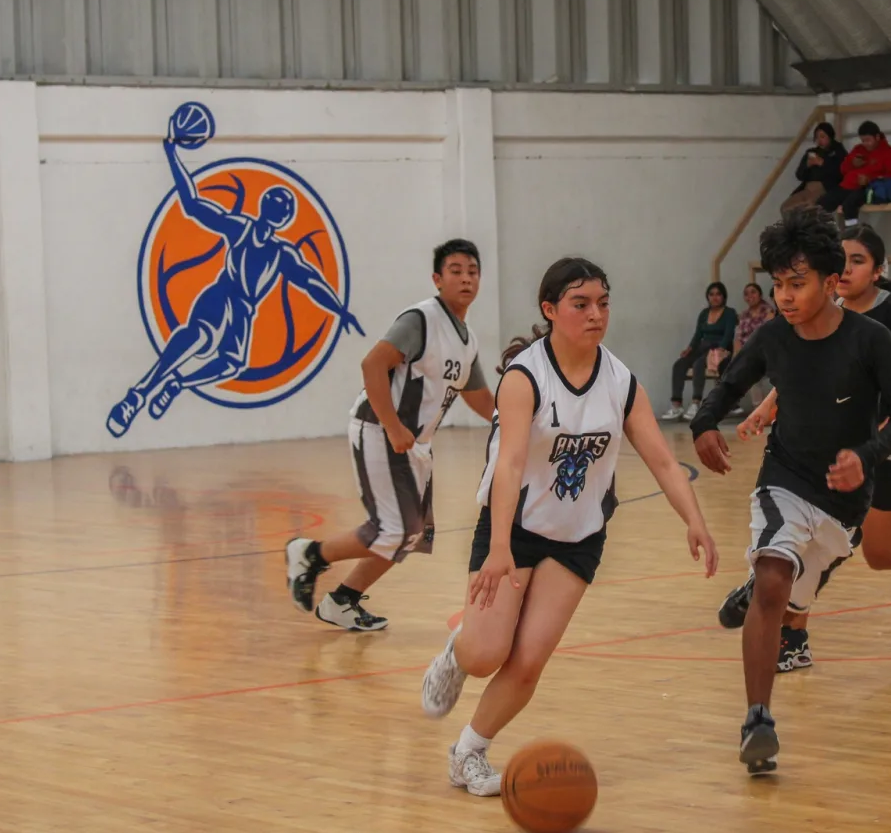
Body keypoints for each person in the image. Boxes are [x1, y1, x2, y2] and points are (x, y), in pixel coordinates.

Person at [419, 257, 718, 796]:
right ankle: (457, 651)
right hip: (515, 526)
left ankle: (469, 753)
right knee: (488, 652)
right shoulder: (524, 377)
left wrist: (694, 520)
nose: (596, 314)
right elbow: (508, 465)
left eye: (603, 303)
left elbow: (665, 462)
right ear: (551, 310)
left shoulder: (621, 380)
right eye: (581, 304)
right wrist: (501, 547)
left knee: (529, 661)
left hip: (579, 535)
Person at [690, 209, 891, 774]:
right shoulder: (773, 336)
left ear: (831, 280)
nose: (785, 297)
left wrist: (864, 459)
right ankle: (757, 720)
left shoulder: (872, 339)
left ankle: (767, 579)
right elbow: (732, 382)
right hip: (784, 479)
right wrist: (702, 424)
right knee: (773, 579)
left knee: (791, 596)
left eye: (797, 284)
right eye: (777, 286)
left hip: (843, 505)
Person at [717, 223, 891, 674]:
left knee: (877, 554)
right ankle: (792, 630)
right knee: (812, 538)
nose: (845, 269)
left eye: (858, 261)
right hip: (831, 450)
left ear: (879, 269)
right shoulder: (815, 312)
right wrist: (767, 407)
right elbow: (797, 374)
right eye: (840, 260)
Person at [285, 240, 496, 630]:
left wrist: (510, 419)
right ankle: (309, 553)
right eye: (456, 270)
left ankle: (341, 602)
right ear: (437, 278)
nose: (466, 278)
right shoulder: (421, 319)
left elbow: (477, 394)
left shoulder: (467, 339)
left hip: (416, 444)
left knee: (411, 535)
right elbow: (372, 365)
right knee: (393, 529)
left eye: (473, 271)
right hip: (381, 430)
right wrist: (394, 426)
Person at [106, 117, 365, 435]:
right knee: (198, 337)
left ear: (285, 217)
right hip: (221, 295)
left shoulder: (283, 253)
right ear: (266, 206)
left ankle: (177, 384)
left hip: (244, 310)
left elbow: (311, 282)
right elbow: (192, 204)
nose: (278, 209)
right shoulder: (239, 227)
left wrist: (339, 310)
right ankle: (137, 396)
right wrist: (172, 154)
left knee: (232, 365)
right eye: (276, 203)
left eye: (283, 207)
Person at [661, 282, 737, 421]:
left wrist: (721, 348)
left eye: (718, 294)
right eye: (711, 294)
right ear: (707, 297)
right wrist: (689, 349)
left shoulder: (729, 313)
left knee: (699, 364)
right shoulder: (704, 313)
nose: (715, 297)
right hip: (702, 348)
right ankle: (676, 405)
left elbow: (728, 334)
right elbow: (697, 335)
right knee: (679, 365)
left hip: (719, 350)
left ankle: (696, 403)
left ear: (723, 296)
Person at [830, 121, 891, 223]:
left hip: (870, 189)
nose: (865, 144)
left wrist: (869, 180)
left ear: (877, 137)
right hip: (847, 186)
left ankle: (852, 234)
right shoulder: (858, 149)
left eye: (868, 140)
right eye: (863, 140)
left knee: (848, 205)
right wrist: (852, 164)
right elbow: (843, 169)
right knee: (823, 203)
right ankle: (820, 235)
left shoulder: (889, 153)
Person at [730, 282, 777, 417]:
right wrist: (736, 357)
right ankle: (758, 409)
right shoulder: (743, 315)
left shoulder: (769, 312)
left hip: (764, 352)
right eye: (746, 293)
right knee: (738, 367)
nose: (750, 296)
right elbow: (738, 338)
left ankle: (763, 411)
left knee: (752, 368)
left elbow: (766, 335)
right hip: (747, 354)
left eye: (753, 292)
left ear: (760, 294)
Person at [784, 121, 847, 212]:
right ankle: (794, 226)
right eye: (817, 137)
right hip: (807, 188)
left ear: (830, 137)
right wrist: (807, 165)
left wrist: (823, 164)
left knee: (808, 209)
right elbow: (799, 175)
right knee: (786, 207)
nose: (819, 140)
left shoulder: (838, 151)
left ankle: (807, 225)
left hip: (825, 189)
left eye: (822, 137)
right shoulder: (812, 152)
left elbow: (841, 173)